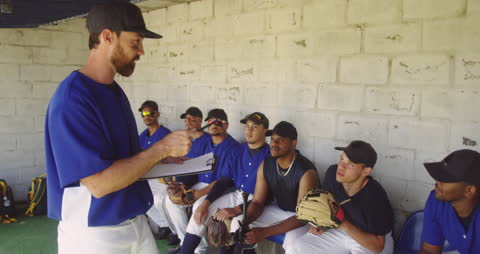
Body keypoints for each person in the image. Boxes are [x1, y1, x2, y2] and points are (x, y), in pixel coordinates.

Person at [44, 2, 191, 254]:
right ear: (107, 36)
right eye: (135, 42)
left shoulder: (113, 91)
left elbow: (121, 162)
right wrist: (160, 149)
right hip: (94, 234)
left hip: (134, 221)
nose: (141, 51)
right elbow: (100, 184)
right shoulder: (73, 99)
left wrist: (159, 161)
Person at [180, 112, 271, 254]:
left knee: (239, 224)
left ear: (265, 130)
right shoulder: (238, 150)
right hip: (238, 194)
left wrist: (236, 210)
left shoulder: (270, 155)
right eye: (247, 127)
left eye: (254, 127)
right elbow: (224, 180)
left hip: (259, 201)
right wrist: (206, 203)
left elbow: (268, 197)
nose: (249, 130)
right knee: (200, 210)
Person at [229, 121, 320, 253]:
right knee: (238, 223)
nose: (274, 144)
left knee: (292, 244)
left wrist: (264, 232)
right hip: (279, 210)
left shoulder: (306, 171)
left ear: (293, 142)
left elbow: (302, 217)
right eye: (272, 139)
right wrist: (245, 222)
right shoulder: (266, 164)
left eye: (280, 140)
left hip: (302, 218)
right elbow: (257, 202)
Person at [291, 140, 394, 254]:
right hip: (340, 230)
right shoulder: (332, 174)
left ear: (366, 171)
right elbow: (328, 207)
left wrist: (342, 223)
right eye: (341, 159)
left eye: (350, 164)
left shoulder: (375, 197)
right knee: (298, 247)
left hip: (369, 239)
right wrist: (322, 224)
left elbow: (378, 246)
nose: (341, 166)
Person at [166, 108, 239, 254]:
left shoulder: (233, 147)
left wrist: (197, 194)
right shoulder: (206, 143)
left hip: (221, 188)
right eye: (211, 121)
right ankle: (184, 242)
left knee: (199, 205)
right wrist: (179, 183)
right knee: (171, 201)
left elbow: (224, 181)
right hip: (202, 183)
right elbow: (193, 167)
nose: (214, 124)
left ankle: (199, 250)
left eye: (219, 121)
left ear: (226, 125)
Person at [420, 149, 480, 254]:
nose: (437, 181)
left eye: (445, 179)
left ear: (469, 191)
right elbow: (429, 250)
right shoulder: (436, 201)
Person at [137, 100, 175, 241]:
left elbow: (171, 158)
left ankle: (174, 231)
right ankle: (164, 225)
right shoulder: (143, 135)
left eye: (150, 113)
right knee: (140, 197)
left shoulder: (165, 134)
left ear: (157, 114)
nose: (147, 116)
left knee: (160, 199)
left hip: (163, 177)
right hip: (148, 176)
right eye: (144, 114)